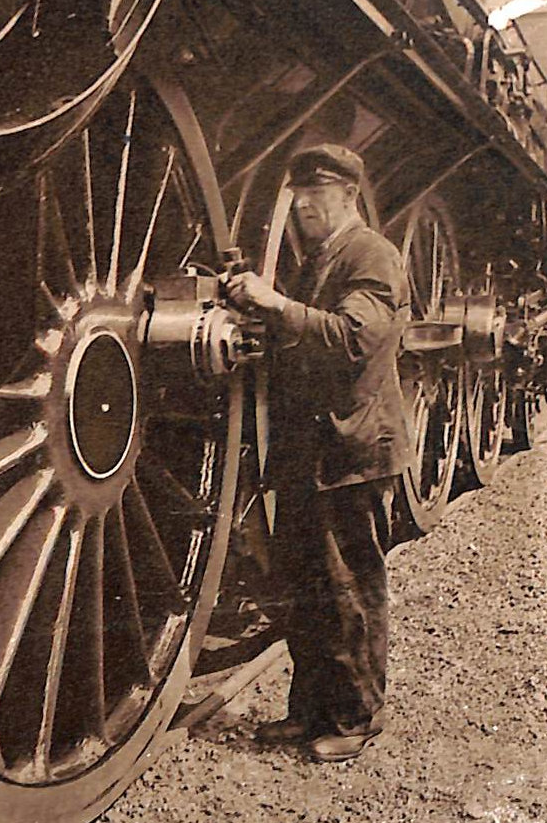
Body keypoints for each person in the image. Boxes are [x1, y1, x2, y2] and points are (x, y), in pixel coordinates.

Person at [225, 143, 412, 763]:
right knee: (306, 588)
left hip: (352, 451)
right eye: (299, 195)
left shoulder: (372, 255)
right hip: (313, 451)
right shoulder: (323, 260)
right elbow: (303, 334)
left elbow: (353, 339)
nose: (304, 206)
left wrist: (277, 304)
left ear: (349, 195)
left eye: (317, 194)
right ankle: (308, 711)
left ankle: (358, 717)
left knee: (348, 588)